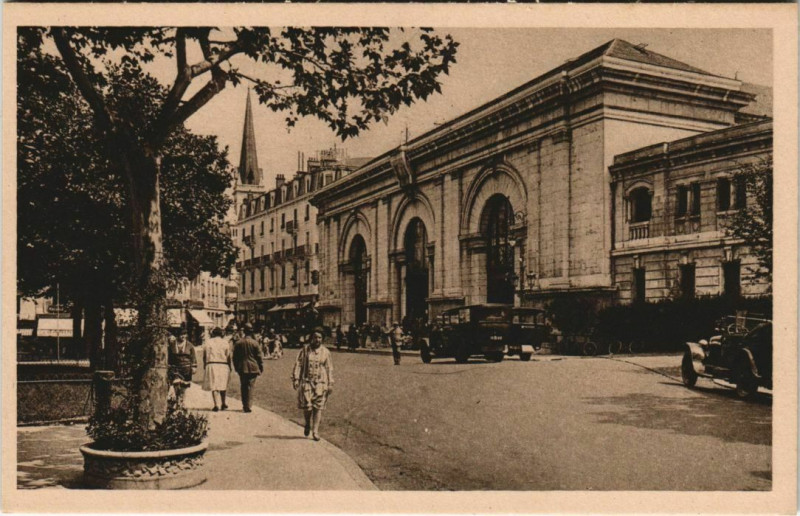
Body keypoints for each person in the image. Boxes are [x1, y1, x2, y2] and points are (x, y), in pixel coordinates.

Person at [292, 329, 334, 441]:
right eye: (315, 337)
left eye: (320, 338)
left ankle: (315, 431)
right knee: (308, 407)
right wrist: (296, 378)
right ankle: (307, 423)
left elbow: (329, 368)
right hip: (307, 382)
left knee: (318, 407)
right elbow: (298, 364)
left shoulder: (326, 352)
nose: (317, 340)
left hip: (321, 382)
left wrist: (330, 383)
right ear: (311, 338)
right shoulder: (305, 350)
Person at [232, 322, 264, 413]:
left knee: (243, 386)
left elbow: (235, 357)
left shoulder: (238, 343)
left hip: (242, 367)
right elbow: (259, 357)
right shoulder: (255, 343)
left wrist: (236, 367)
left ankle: (245, 405)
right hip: (253, 367)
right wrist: (261, 367)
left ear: (244, 332)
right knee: (251, 386)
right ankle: (249, 405)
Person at [203, 327, 232, 411]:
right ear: (221, 334)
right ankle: (223, 403)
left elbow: (205, 355)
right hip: (223, 365)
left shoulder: (208, 342)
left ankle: (216, 404)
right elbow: (228, 356)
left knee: (214, 385)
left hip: (212, 364)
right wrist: (230, 366)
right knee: (223, 384)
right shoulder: (225, 342)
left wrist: (205, 365)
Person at [168, 328, 197, 406]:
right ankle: (177, 400)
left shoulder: (190, 345)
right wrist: (169, 366)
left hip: (186, 368)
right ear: (177, 336)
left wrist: (194, 367)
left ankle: (181, 402)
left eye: (184, 334)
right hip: (175, 368)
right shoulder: (172, 344)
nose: (183, 336)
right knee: (176, 384)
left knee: (184, 387)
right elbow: (170, 356)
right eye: (181, 335)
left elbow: (193, 357)